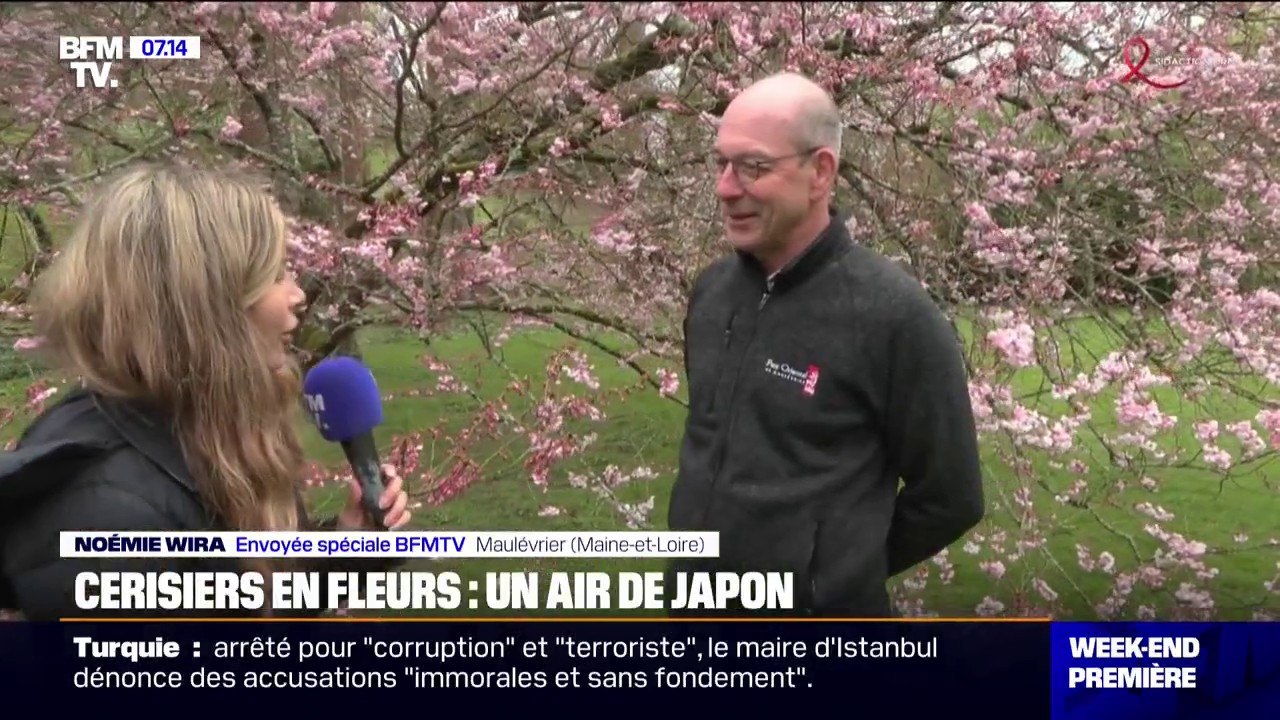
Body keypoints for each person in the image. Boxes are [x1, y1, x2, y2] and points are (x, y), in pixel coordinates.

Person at [0, 160, 412, 620]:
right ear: (207, 306)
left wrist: (346, 556)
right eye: (276, 274)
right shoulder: (109, 515)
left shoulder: (203, 435)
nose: (298, 295)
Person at [667, 72, 985, 618]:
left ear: (820, 172)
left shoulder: (894, 316)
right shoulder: (712, 293)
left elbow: (952, 498)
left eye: (753, 166)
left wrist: (830, 575)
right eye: (720, 163)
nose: (725, 186)